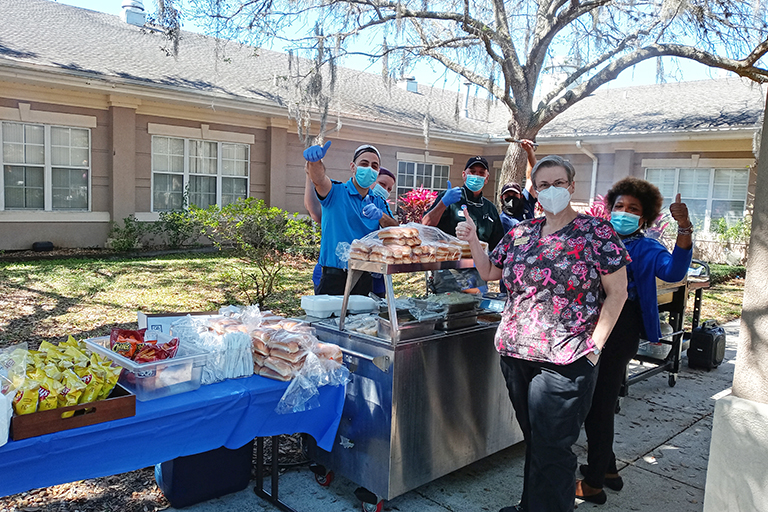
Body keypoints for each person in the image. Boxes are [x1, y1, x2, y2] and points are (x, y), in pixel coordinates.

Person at [455, 155, 630, 512]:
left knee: (553, 448)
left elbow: (618, 293)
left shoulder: (596, 232)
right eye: (544, 185)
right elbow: (489, 271)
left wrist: (595, 347)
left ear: (572, 186)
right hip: (516, 355)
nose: (551, 191)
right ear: (535, 191)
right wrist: (474, 238)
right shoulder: (522, 233)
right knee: (535, 440)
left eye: (559, 183)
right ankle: (530, 505)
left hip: (566, 360)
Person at [576, 177, 693, 505]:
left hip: (621, 327)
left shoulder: (647, 248)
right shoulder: (601, 240)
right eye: (619, 207)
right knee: (597, 402)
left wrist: (685, 230)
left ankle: (595, 484)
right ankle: (609, 469)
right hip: (594, 323)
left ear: (644, 218)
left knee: (599, 405)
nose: (623, 213)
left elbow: (673, 272)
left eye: (632, 209)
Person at [304, 141, 397, 296]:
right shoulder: (336, 192)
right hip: (333, 276)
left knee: (362, 320)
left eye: (374, 166)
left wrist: (381, 216)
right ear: (353, 167)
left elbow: (395, 229)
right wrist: (315, 162)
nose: (369, 169)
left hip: (364, 275)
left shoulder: (379, 202)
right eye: (364, 163)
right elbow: (319, 179)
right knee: (331, 319)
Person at [422, 155, 505, 293]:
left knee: (477, 311)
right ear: (464, 175)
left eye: (481, 173)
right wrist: (443, 203)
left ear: (487, 178)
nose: (476, 176)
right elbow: (425, 226)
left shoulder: (490, 208)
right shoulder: (450, 197)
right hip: (448, 273)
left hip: (478, 273)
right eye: (472, 172)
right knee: (448, 310)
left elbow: (498, 245)